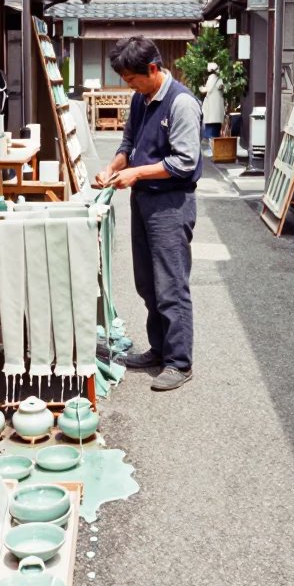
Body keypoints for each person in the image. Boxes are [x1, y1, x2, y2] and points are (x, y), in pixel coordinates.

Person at [93, 36, 202, 391]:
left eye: (132, 79)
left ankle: (179, 362)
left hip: (170, 204)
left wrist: (137, 173)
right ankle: (159, 349)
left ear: (152, 69)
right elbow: (128, 145)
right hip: (142, 201)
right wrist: (113, 167)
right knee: (147, 282)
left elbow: (185, 162)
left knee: (170, 283)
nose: (130, 85)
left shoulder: (181, 103)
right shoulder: (141, 100)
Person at [198, 61, 226, 157]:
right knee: (216, 130)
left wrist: (201, 88)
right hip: (217, 109)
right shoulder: (220, 79)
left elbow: (207, 89)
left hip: (211, 109)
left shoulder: (212, 78)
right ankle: (215, 150)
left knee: (210, 130)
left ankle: (212, 150)